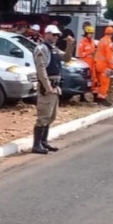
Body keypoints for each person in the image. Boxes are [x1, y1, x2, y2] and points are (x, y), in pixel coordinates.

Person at [31, 23, 74, 154]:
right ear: (47, 34)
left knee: (51, 116)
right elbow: (41, 68)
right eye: (54, 34)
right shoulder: (42, 48)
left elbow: (67, 58)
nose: (56, 37)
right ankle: (36, 144)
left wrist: (70, 45)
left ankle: (44, 142)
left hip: (55, 86)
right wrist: (47, 86)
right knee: (43, 116)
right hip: (48, 86)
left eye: (57, 35)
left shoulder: (53, 49)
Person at [94, 26, 113, 106]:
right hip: (105, 65)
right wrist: (112, 66)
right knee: (105, 82)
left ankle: (97, 97)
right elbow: (109, 56)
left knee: (99, 82)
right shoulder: (108, 42)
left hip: (98, 64)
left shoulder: (101, 40)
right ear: (112, 33)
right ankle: (102, 98)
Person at [76, 24, 100, 99]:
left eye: (92, 33)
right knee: (84, 80)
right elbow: (80, 54)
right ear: (86, 33)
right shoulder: (82, 42)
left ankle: (94, 94)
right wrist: (89, 53)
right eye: (90, 33)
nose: (91, 35)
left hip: (92, 63)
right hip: (85, 64)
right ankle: (82, 96)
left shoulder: (93, 42)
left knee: (93, 79)